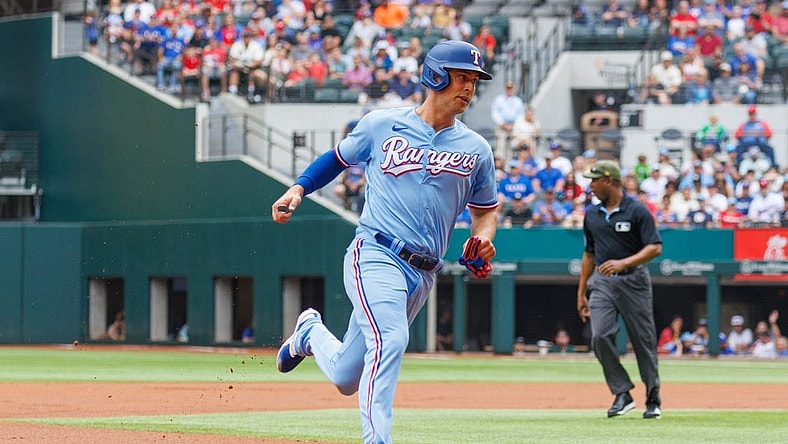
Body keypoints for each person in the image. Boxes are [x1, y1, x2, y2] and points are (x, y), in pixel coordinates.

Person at [271, 41, 498, 444]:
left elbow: (485, 211)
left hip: (424, 273)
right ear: (435, 76)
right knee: (390, 338)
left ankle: (308, 334)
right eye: (461, 77)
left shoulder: (477, 149)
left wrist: (482, 239)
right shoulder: (382, 125)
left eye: (474, 80)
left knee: (346, 377)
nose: (469, 87)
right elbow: (337, 159)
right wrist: (299, 188)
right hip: (376, 253)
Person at [576, 160, 664, 419]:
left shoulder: (637, 210)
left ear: (609, 181)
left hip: (633, 280)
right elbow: (588, 255)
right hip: (602, 282)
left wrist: (623, 263)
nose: (590, 186)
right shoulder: (591, 214)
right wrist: (581, 291)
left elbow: (655, 247)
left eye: (594, 180)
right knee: (599, 335)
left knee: (643, 341)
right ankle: (622, 392)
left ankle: (652, 398)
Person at [490, 81, 525, 159]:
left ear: (514, 89)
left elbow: (521, 115)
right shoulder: (499, 99)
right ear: (505, 88)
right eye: (508, 88)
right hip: (502, 127)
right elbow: (495, 113)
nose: (509, 90)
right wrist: (502, 124)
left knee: (511, 148)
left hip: (514, 127)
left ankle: (509, 166)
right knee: (500, 146)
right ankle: (499, 165)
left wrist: (514, 125)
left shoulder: (518, 101)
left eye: (511, 88)